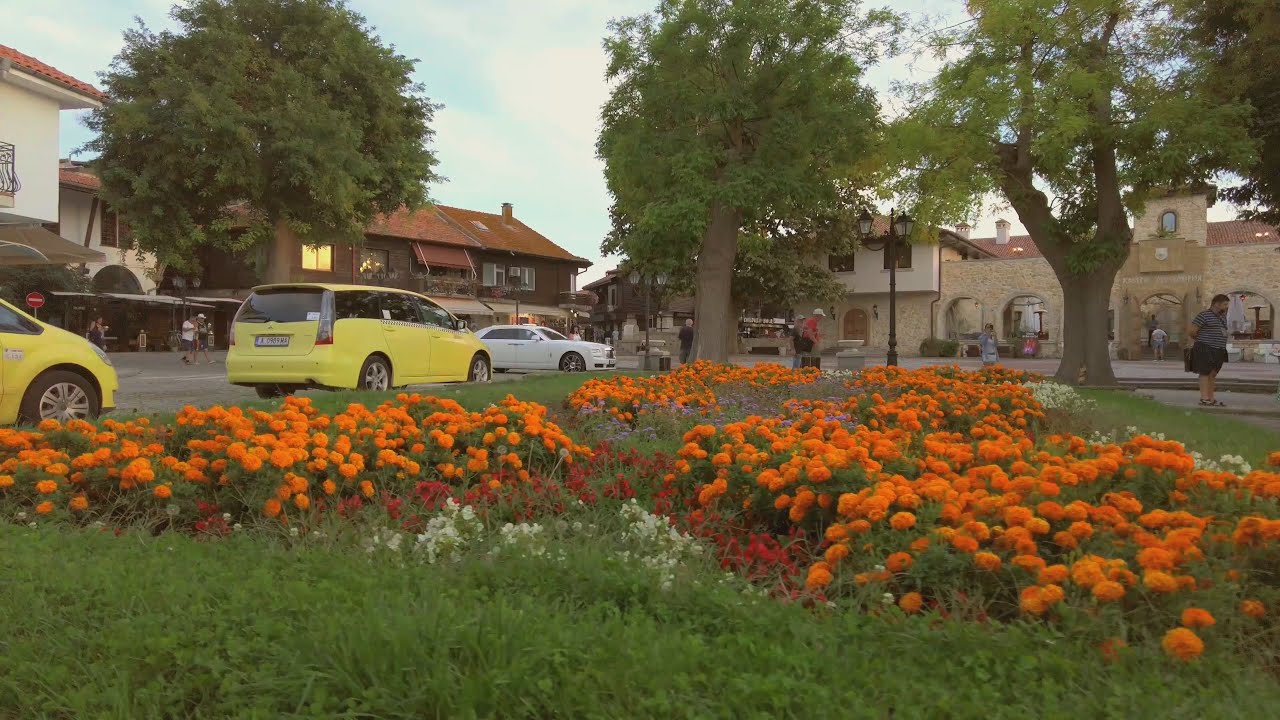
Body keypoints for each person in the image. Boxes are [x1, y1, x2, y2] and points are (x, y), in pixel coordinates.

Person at [1187, 293, 1231, 407]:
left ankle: (1211, 398)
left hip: (1219, 349)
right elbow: (1192, 331)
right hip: (1205, 347)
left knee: (1213, 373)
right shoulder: (1204, 315)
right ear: (1217, 304)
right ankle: (1204, 398)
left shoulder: (1222, 317)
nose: (1227, 307)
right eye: (1225, 304)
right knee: (1205, 372)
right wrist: (1203, 340)